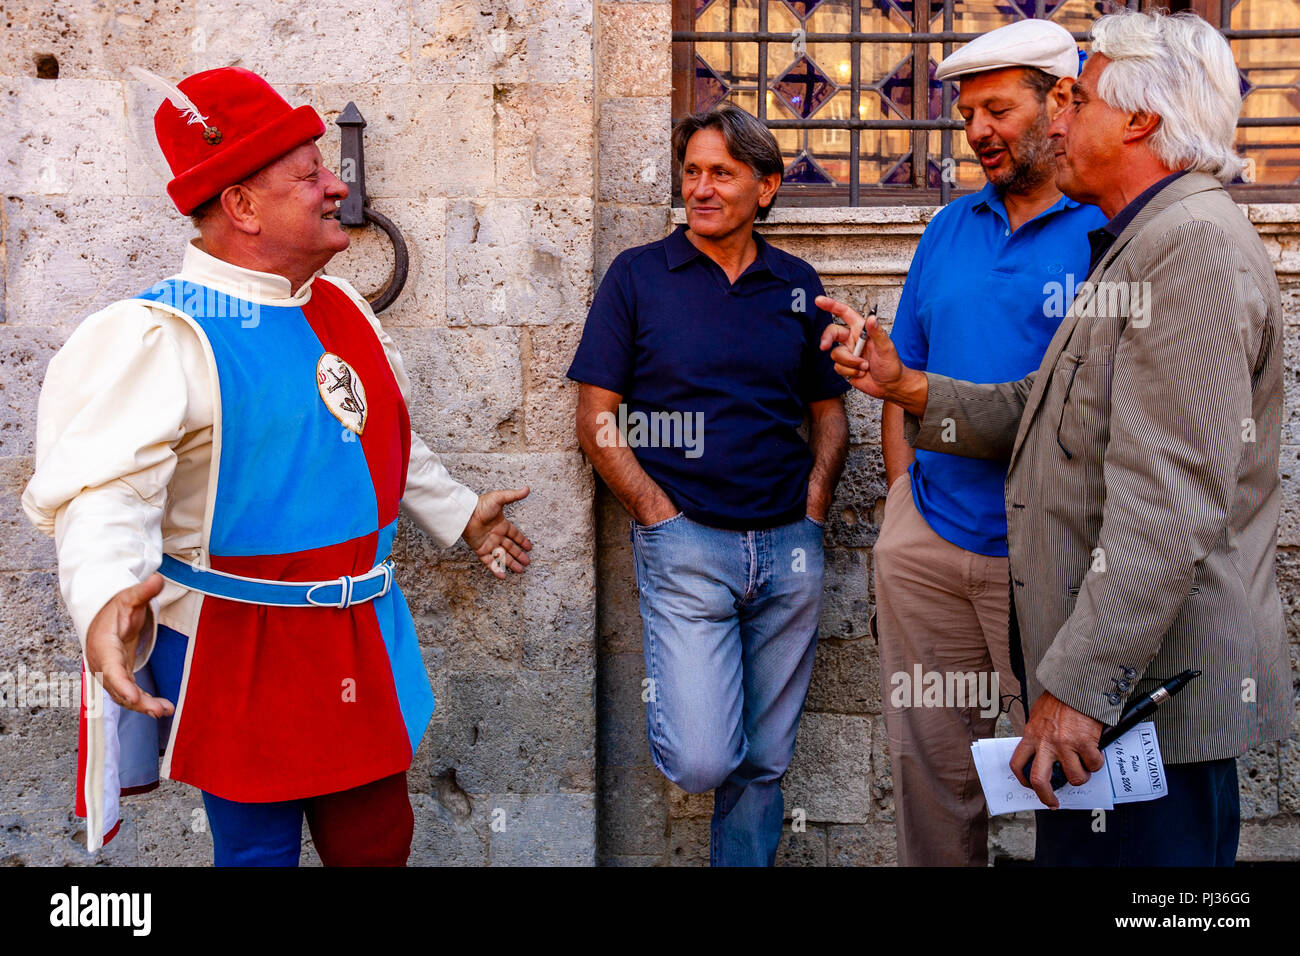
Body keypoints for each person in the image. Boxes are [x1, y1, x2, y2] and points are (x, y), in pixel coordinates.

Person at [22, 66, 533, 866]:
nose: (336, 187)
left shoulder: (343, 306)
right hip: (244, 648)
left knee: (379, 841)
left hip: (361, 636)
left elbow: (379, 438)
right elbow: (102, 497)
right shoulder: (162, 334)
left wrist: (460, 511)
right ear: (242, 205)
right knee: (257, 855)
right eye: (309, 175)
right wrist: (103, 602)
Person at [820, 10, 1290, 866]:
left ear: (1141, 120)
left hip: (1148, 702)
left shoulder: (1186, 249)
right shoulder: (1144, 239)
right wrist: (906, 388)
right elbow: (1047, 406)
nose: (1062, 121)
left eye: (1082, 99)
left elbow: (1167, 504)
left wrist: (1074, 690)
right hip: (1121, 691)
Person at [568, 104, 849, 866]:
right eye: (692, 171)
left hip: (790, 545)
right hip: (688, 546)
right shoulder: (638, 277)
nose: (700, 187)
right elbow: (597, 418)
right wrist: (659, 516)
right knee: (703, 758)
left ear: (765, 186)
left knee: (765, 763)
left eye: (720, 173)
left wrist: (816, 507)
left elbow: (829, 415)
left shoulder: (795, 284)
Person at [875, 18, 1106, 867]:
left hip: (1046, 557)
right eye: (968, 114)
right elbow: (905, 379)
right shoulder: (948, 229)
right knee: (929, 777)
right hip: (929, 540)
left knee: (1076, 775)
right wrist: (904, 503)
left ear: (1061, 106)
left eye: (998, 109)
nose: (978, 132)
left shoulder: (1105, 233)